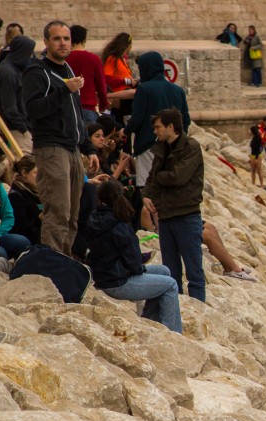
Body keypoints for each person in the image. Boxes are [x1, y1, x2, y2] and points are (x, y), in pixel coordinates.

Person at [22, 20, 100, 256]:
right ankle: (52, 266)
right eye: (57, 38)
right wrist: (65, 90)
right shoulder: (37, 72)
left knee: (73, 215)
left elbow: (76, 115)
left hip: (73, 149)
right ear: (46, 42)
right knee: (57, 212)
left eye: (66, 38)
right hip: (52, 148)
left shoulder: (67, 70)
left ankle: (65, 263)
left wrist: (89, 148)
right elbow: (33, 110)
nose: (63, 43)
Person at [87, 180, 182, 333]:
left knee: (164, 271)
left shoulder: (95, 218)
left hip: (104, 275)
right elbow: (134, 264)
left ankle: (151, 321)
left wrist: (137, 265)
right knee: (170, 285)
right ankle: (173, 333)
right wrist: (140, 264)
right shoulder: (120, 224)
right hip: (117, 282)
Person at [142, 108, 206, 302]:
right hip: (166, 217)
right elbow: (151, 178)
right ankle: (177, 311)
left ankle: (199, 311)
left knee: (194, 273)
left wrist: (159, 180)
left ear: (171, 126)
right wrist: (145, 195)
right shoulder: (161, 147)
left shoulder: (191, 147)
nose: (155, 131)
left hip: (187, 216)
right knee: (171, 273)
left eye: (158, 127)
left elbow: (179, 176)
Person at [128, 51, 190, 189]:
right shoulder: (178, 90)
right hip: (173, 146)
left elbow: (137, 118)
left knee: (146, 187)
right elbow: (185, 119)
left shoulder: (144, 89)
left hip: (148, 144)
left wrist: (125, 131)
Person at [0, 35, 36, 154]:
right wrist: (24, 130)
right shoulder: (8, 73)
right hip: (17, 130)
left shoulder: (13, 69)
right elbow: (10, 109)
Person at [65, 25, 108, 123]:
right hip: (88, 108)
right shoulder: (93, 59)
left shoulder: (64, 59)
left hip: (67, 108)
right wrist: (103, 105)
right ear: (84, 40)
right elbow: (101, 86)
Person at [101, 33, 137, 125]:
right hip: (119, 100)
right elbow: (107, 79)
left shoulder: (122, 60)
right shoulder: (112, 59)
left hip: (127, 99)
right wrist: (128, 81)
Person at [8, 154, 42, 245]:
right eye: (36, 173)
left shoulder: (37, 192)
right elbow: (20, 229)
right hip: (26, 243)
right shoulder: (16, 195)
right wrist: (40, 219)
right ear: (24, 173)